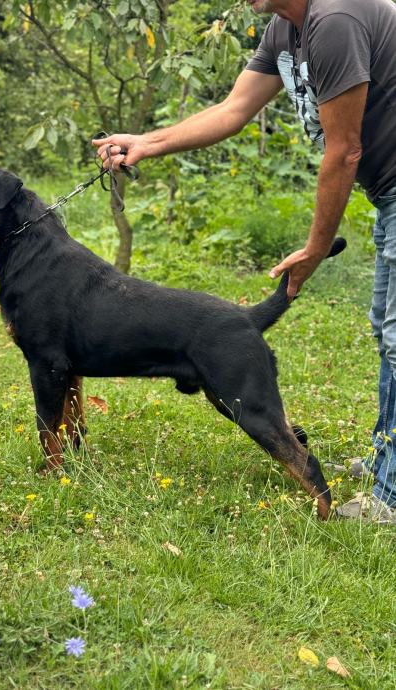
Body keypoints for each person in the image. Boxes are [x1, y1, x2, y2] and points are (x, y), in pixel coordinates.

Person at [92, 0, 396, 523]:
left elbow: (344, 150)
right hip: (389, 193)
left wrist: (316, 248)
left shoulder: (335, 20)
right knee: (385, 329)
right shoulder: (285, 28)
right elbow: (233, 110)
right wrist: (147, 142)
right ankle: (387, 458)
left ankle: (390, 492)